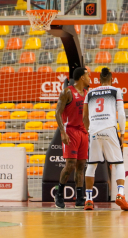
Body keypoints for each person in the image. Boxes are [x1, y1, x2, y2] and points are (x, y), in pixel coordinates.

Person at [82, 68, 128, 211]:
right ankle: (121, 194)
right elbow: (121, 114)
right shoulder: (116, 91)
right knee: (119, 163)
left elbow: (84, 117)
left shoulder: (89, 93)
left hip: (94, 131)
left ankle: (89, 199)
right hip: (109, 128)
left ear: (99, 79)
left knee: (92, 165)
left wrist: (88, 130)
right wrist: (122, 133)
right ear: (112, 78)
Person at [54, 67, 90, 209]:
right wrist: (62, 132)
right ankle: (59, 194)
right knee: (70, 165)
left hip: (83, 132)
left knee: (81, 166)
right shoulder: (67, 92)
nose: (89, 78)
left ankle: (80, 197)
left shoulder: (87, 93)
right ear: (81, 77)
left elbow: (87, 116)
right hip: (71, 131)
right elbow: (57, 113)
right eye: (87, 75)